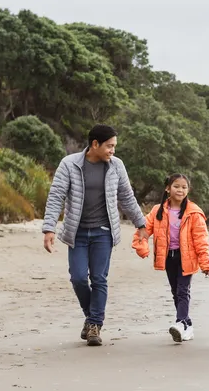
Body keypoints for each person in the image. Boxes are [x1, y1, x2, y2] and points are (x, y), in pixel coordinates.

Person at [41, 124, 149, 347]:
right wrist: (49, 228)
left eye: (114, 146)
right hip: (77, 232)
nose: (113, 151)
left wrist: (141, 223)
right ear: (95, 144)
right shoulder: (70, 164)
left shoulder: (116, 166)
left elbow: (127, 197)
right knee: (78, 278)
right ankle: (92, 316)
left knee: (99, 278)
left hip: (103, 232)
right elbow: (56, 196)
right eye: (109, 146)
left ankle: (94, 325)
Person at [132, 173, 209, 343]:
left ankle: (180, 322)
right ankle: (187, 325)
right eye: (176, 186)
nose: (180, 190)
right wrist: (142, 247)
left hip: (187, 258)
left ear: (188, 190)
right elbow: (143, 231)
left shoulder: (194, 213)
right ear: (168, 188)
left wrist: (205, 262)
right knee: (176, 292)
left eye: (184, 187)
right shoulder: (157, 211)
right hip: (168, 257)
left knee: (183, 291)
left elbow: (201, 240)